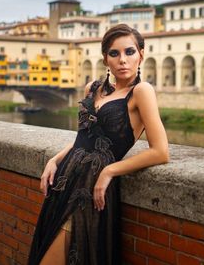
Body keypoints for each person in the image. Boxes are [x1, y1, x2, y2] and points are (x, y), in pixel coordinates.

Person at [27, 23, 170, 265]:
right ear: (105, 59)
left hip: (90, 188)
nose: (122, 60)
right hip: (64, 182)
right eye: (114, 54)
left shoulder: (141, 92)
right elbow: (84, 138)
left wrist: (109, 170)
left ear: (141, 55)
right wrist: (55, 159)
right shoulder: (93, 89)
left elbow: (160, 152)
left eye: (129, 52)